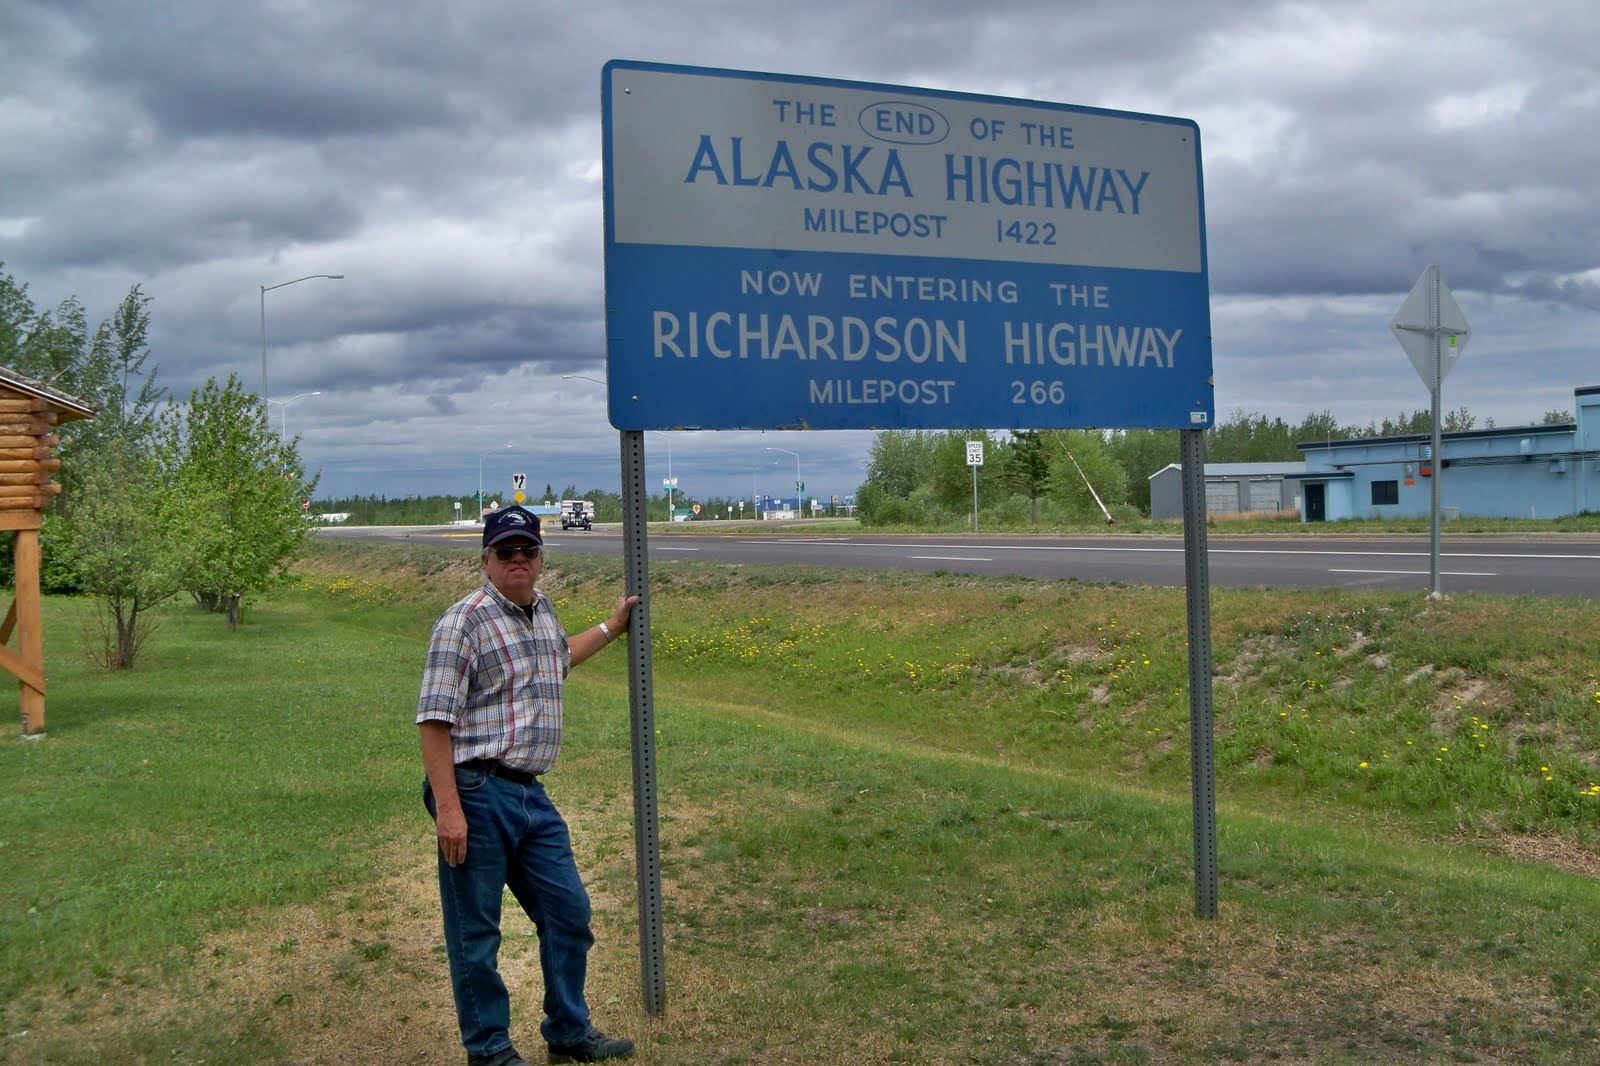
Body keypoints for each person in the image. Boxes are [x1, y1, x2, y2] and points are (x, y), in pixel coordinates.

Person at [418, 504, 639, 1065]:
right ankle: (490, 1051)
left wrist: (611, 628)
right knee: (478, 933)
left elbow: (559, 659)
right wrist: (448, 808)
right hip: (474, 788)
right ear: (486, 560)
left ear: (541, 559)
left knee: (569, 913)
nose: (518, 559)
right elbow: (433, 720)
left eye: (528, 550)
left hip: (529, 793)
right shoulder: (462, 622)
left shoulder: (541, 612)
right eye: (505, 552)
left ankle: (568, 1032)